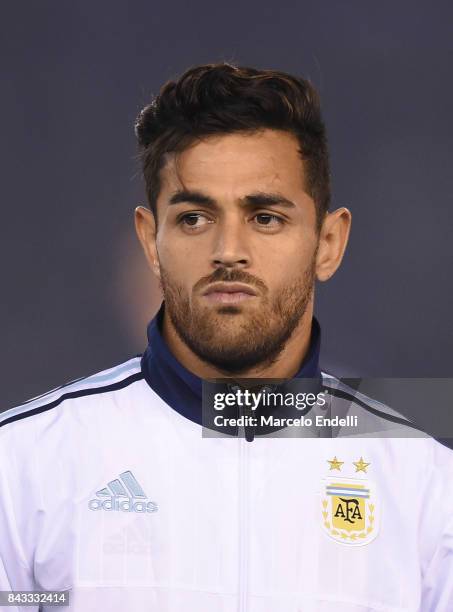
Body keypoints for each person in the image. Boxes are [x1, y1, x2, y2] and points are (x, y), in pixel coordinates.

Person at [1, 62, 452, 612]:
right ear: (150, 241)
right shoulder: (21, 468)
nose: (228, 250)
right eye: (194, 217)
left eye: (265, 217)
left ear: (328, 243)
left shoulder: (428, 488)